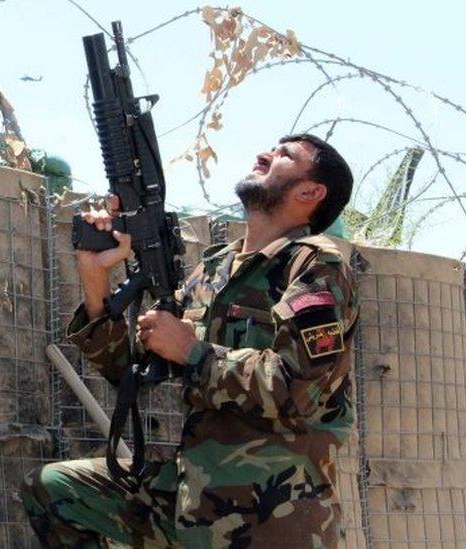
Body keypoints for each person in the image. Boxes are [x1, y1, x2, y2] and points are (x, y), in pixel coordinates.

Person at [21, 134, 359, 547]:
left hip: (272, 519)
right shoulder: (214, 269)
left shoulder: (315, 264)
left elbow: (297, 389)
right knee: (55, 489)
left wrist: (191, 350)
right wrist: (96, 279)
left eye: (285, 155)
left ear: (310, 191)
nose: (264, 152)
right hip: (192, 500)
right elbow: (127, 369)